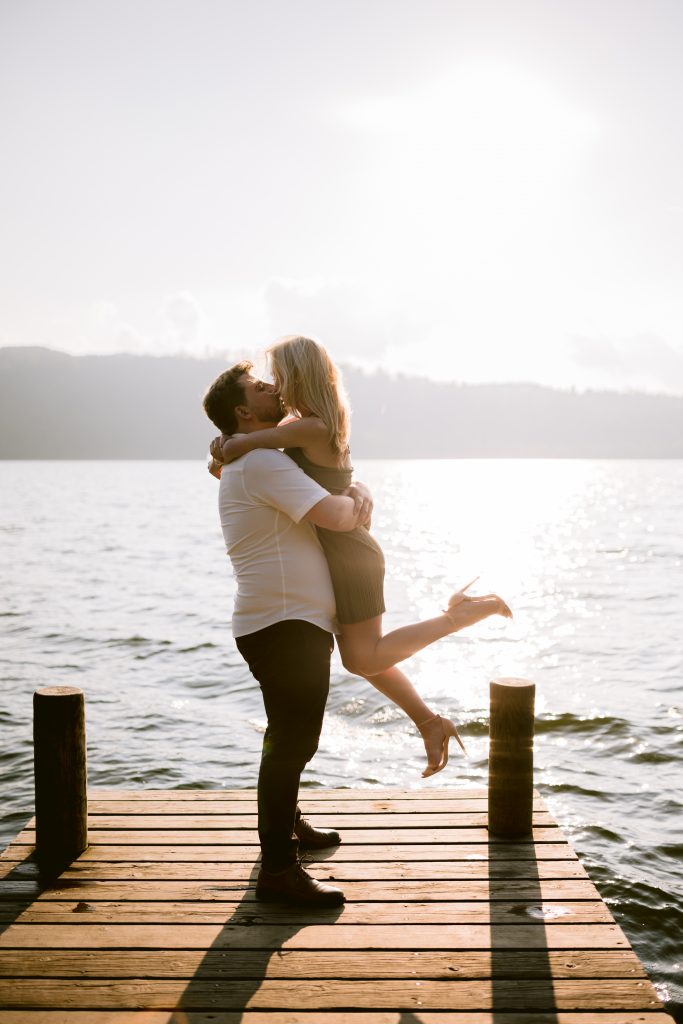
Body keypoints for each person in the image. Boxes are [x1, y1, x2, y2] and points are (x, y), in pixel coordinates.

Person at [210, 336, 512, 778]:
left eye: (278, 377)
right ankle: (430, 723)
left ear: (298, 376)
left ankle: (462, 615)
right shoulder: (314, 421)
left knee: (363, 658)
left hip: (349, 550)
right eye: (266, 382)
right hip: (337, 548)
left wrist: (227, 443)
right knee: (362, 656)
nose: (274, 386)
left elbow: (245, 448)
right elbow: (257, 450)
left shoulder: (308, 427)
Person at [203, 360, 375, 908]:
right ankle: (278, 869)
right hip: (284, 624)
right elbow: (337, 517)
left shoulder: (257, 459)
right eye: (260, 387)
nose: (274, 388)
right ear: (242, 411)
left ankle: (288, 825)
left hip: (282, 622)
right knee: (292, 743)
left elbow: (328, 495)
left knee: (288, 739)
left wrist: (355, 490)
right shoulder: (261, 465)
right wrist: (362, 501)